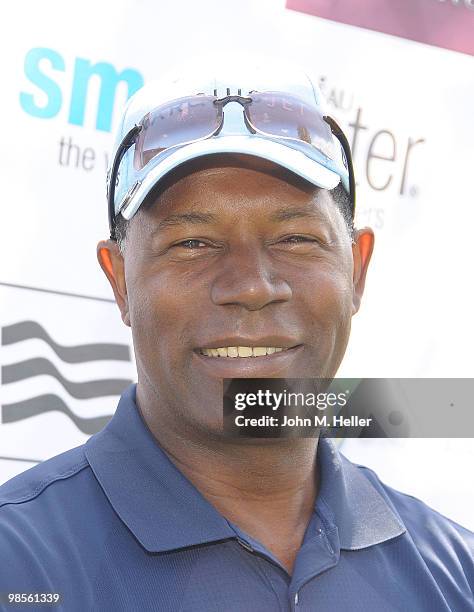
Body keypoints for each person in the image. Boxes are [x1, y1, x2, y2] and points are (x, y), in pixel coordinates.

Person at [0, 56, 473, 612]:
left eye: (296, 238)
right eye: (193, 244)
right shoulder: (19, 564)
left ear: (356, 270)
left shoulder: (454, 576)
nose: (252, 286)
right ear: (121, 281)